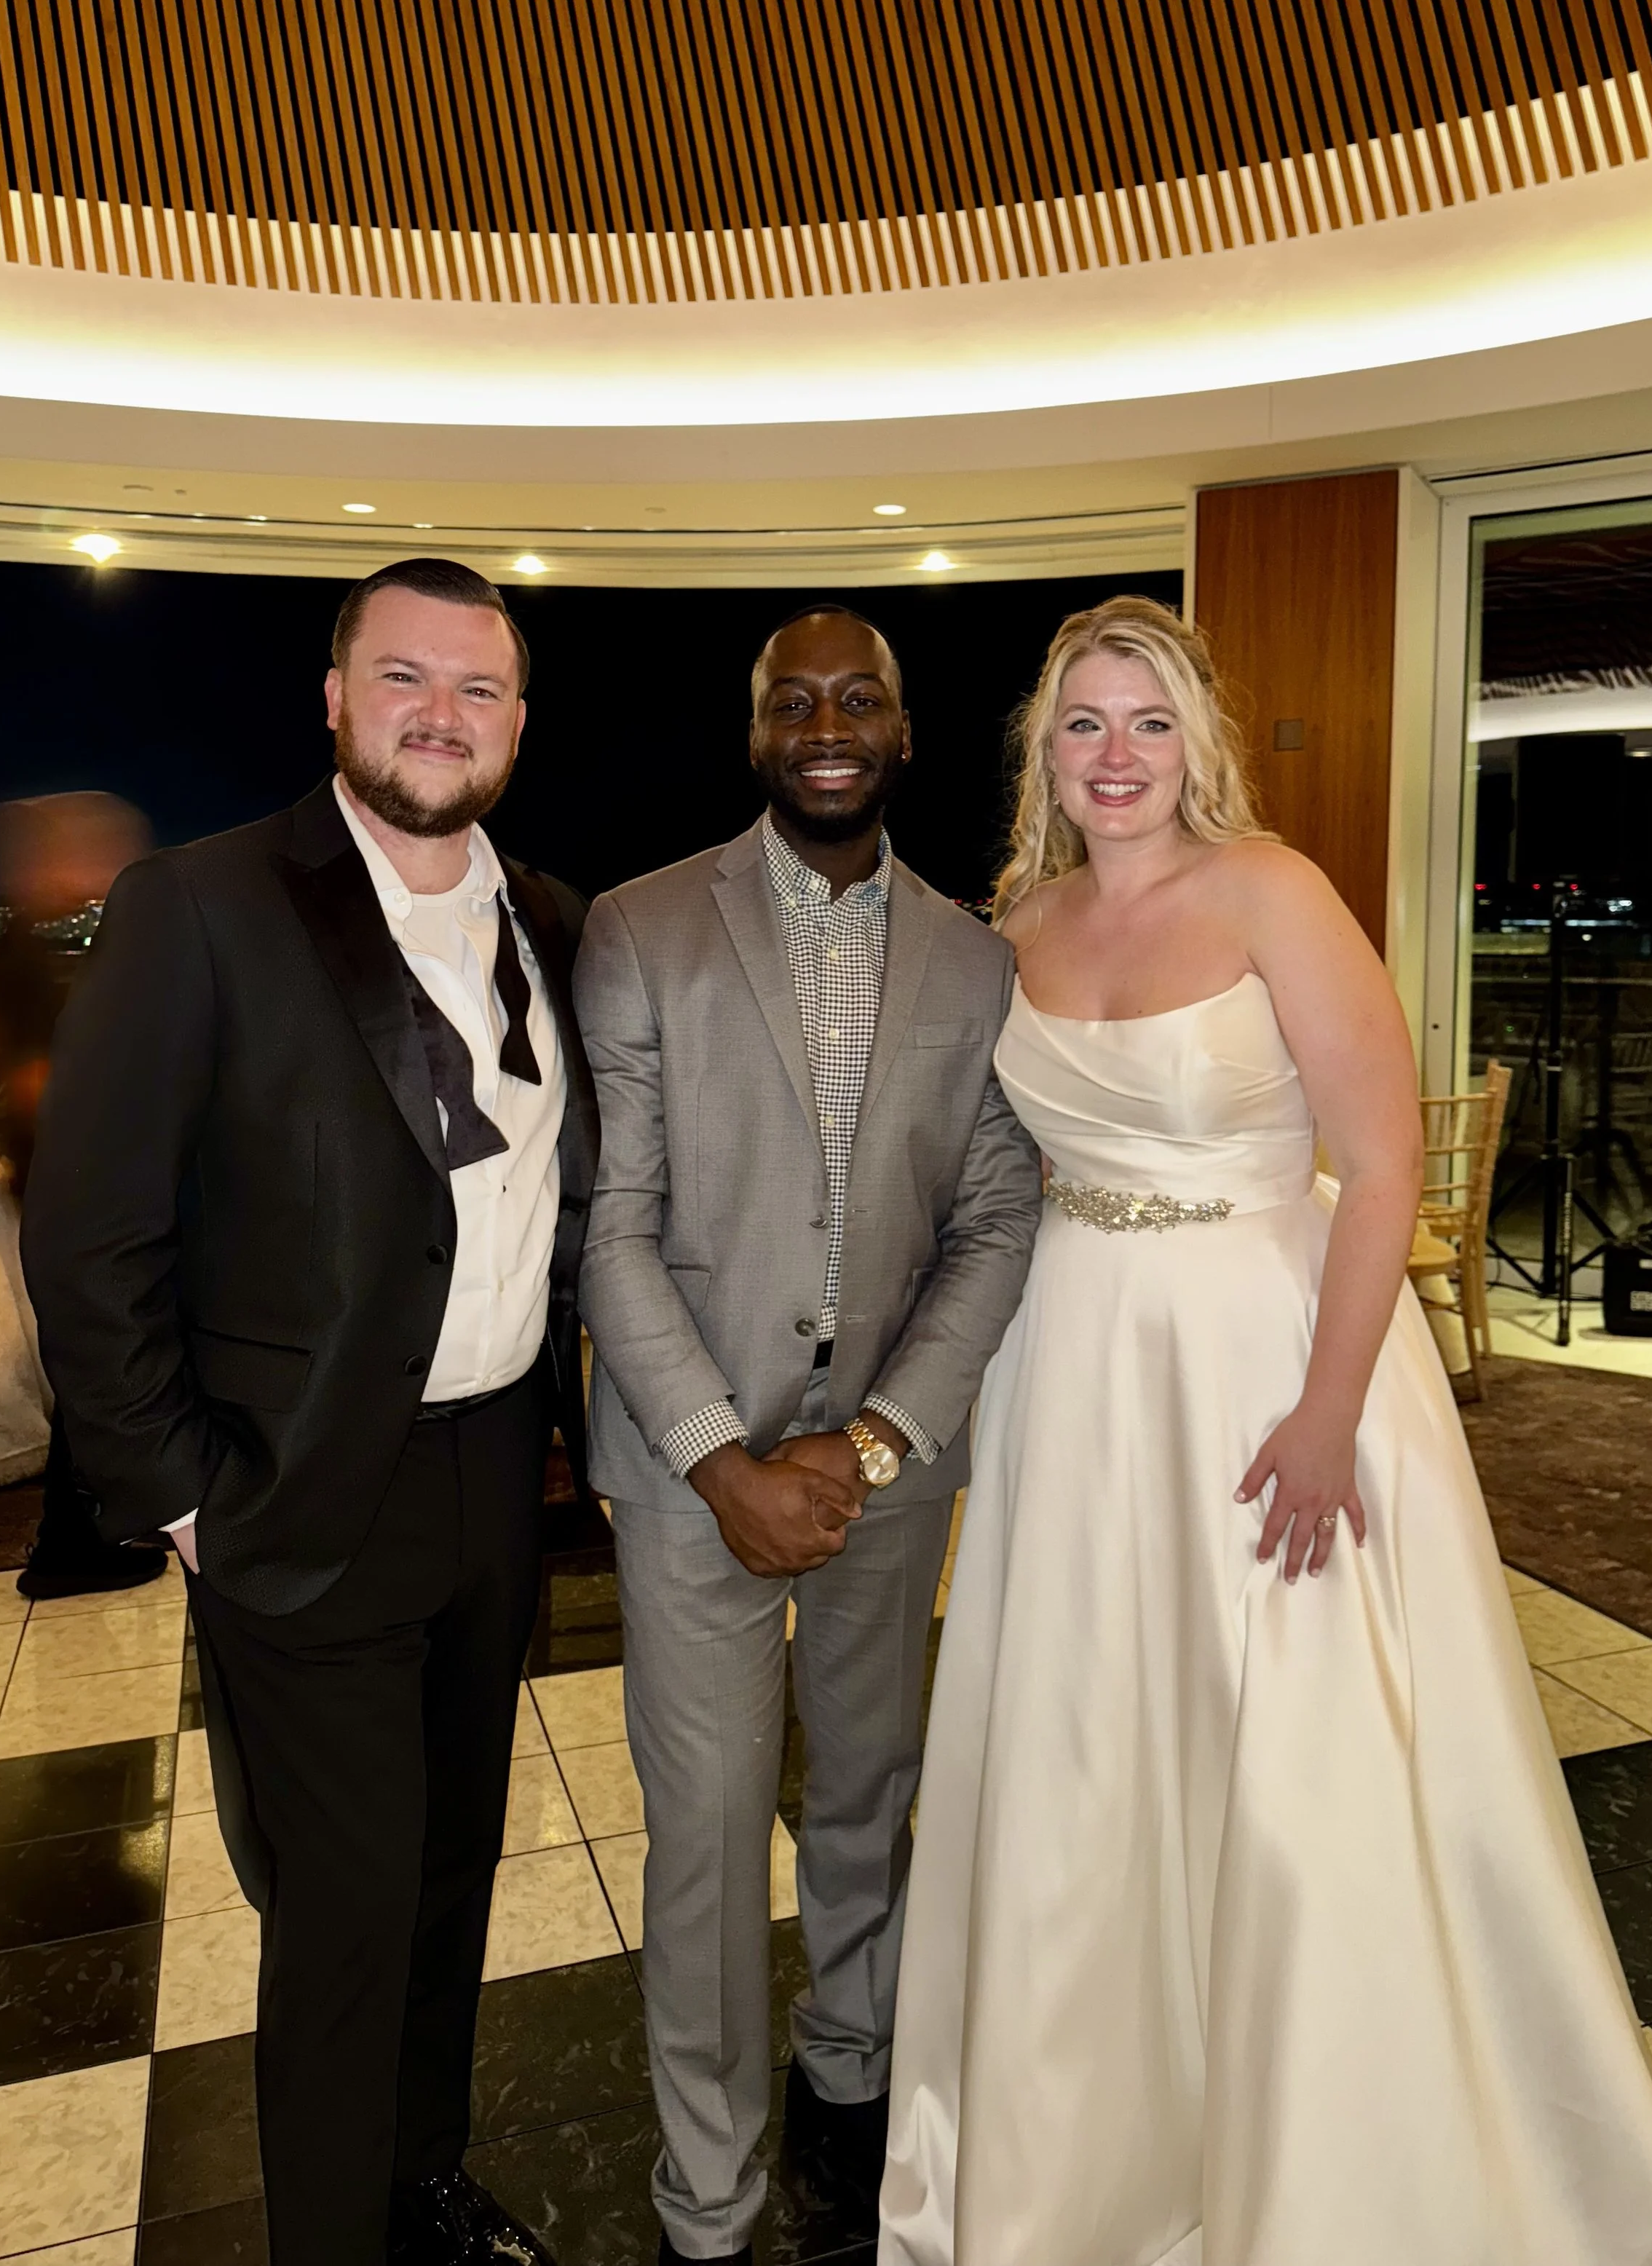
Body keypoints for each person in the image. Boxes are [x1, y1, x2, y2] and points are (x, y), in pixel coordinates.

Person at [879, 596, 1652, 2266]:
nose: (1115, 755)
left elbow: (1383, 1163)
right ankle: (1094, 2141)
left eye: (1147, 721)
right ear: (1041, 750)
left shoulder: (1273, 891)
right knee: (1091, 1739)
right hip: (1081, 1363)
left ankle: (1333, 2149)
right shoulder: (1015, 920)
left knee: (1294, 1757)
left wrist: (1330, 1413)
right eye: (1082, 725)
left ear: (1197, 739)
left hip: (1274, 1357)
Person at [21, 560, 597, 2266]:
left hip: (495, 1471)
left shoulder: (551, 922)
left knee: (451, 1876)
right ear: (335, 700)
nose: (442, 711)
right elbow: (93, 1227)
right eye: (403, 676)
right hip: (294, 1487)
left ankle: (423, 2177)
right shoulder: (201, 902)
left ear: (514, 722)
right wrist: (182, 1494)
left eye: (477, 687)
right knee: (341, 1913)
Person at [575, 605, 1043, 2265]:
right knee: (702, 1839)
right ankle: (706, 2195)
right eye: (796, 700)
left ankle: (853, 2078)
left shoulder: (979, 958)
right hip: (695, 1473)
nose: (828, 722)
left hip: (887, 1477)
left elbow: (997, 1218)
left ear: (906, 734)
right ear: (757, 731)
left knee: (869, 1792)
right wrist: (720, 1458)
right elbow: (612, 1225)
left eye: (861, 699)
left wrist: (882, 1438)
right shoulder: (642, 930)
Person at [0, 792, 165, 1595]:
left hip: (65, 1185)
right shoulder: (26, 962)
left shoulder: (29, 956)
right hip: (74, 1191)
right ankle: (68, 1544)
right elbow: (38, 1085)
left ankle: (98, 1520)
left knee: (99, 1353)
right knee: (94, 1354)